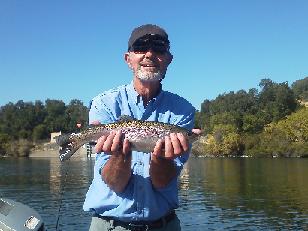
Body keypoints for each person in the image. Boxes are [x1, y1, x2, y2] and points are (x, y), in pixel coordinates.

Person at [83, 24, 200, 231]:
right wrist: (120, 153)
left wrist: (162, 156)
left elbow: (162, 182)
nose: (149, 54)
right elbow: (114, 183)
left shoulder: (183, 111)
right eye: (140, 47)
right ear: (128, 59)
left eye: (159, 48)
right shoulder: (104, 103)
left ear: (168, 59)